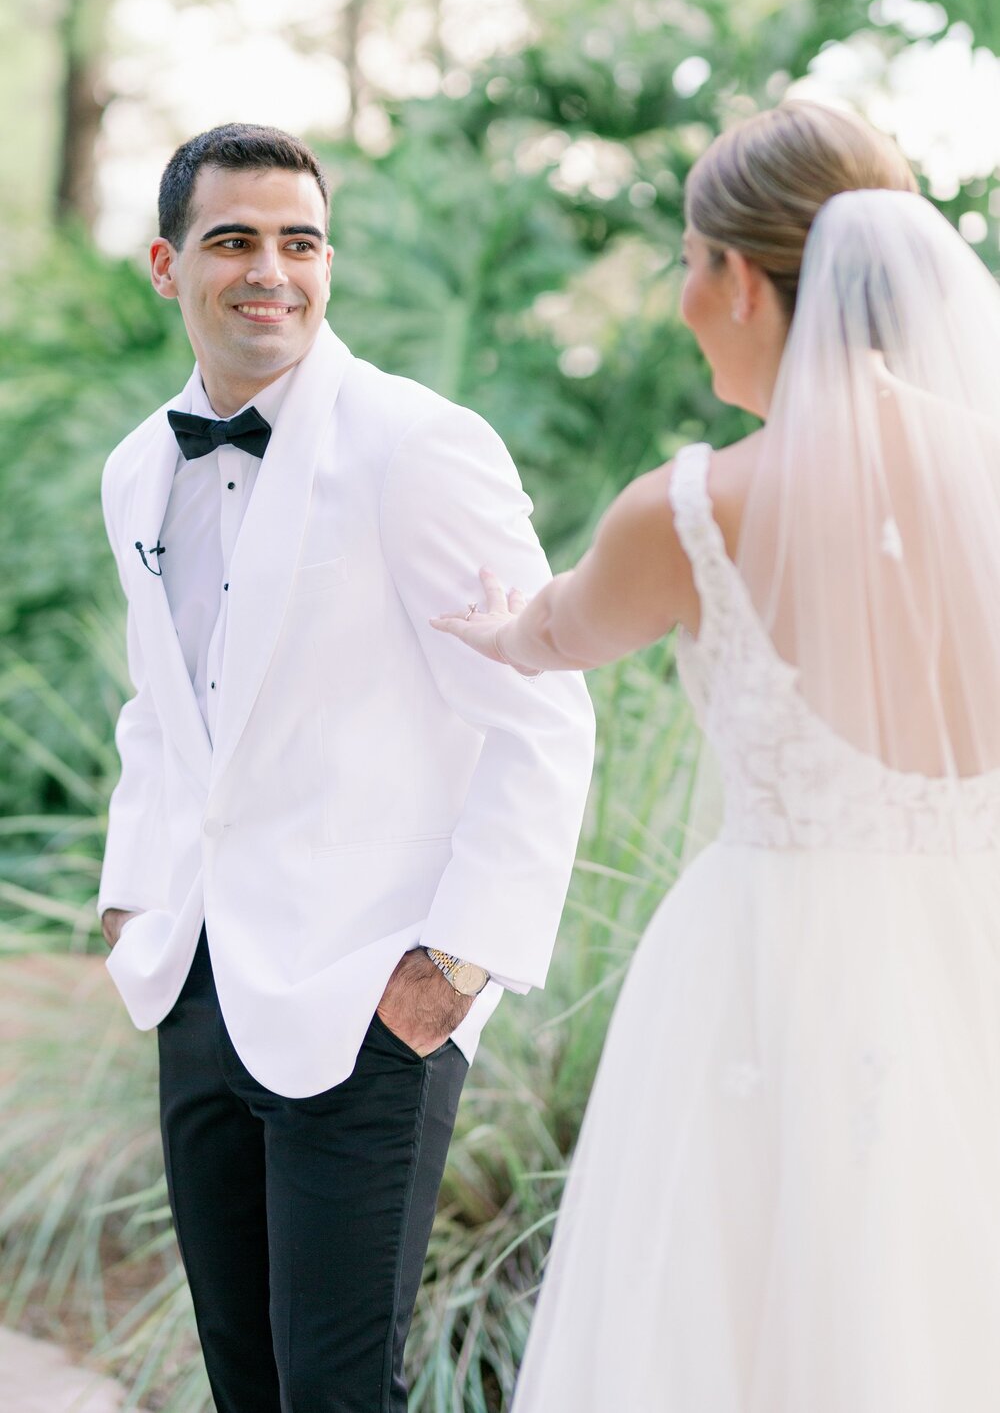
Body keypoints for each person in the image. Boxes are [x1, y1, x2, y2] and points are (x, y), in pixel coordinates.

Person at [432, 100, 1000, 1411]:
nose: (685, 297)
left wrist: (491, 621)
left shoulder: (692, 511)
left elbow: (552, 632)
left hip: (767, 978)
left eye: (689, 260)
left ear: (740, 278)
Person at [97, 122, 595, 1413]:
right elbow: (160, 715)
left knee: (336, 1391)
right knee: (245, 1380)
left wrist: (455, 969)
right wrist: (134, 906)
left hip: (371, 994)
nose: (272, 270)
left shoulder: (414, 445)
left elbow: (544, 714)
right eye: (234, 241)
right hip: (198, 989)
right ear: (167, 264)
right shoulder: (136, 469)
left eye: (299, 241)